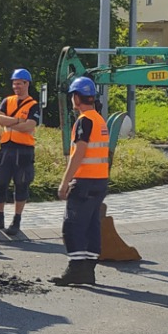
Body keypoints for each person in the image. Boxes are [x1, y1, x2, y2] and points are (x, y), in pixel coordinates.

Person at [54, 76, 110, 286]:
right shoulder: (99, 120)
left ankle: (76, 269)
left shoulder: (84, 120)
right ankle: (88, 269)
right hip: (100, 181)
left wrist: (65, 181)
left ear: (76, 98)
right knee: (91, 225)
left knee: (73, 225)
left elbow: (80, 152)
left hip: (84, 181)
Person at [0, 68, 40, 235]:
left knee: (21, 185)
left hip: (24, 150)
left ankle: (16, 220)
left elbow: (29, 125)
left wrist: (10, 123)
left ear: (26, 84)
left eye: (19, 84)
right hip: (6, 148)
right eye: (14, 84)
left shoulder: (33, 105)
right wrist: (17, 121)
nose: (16, 87)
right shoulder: (7, 101)